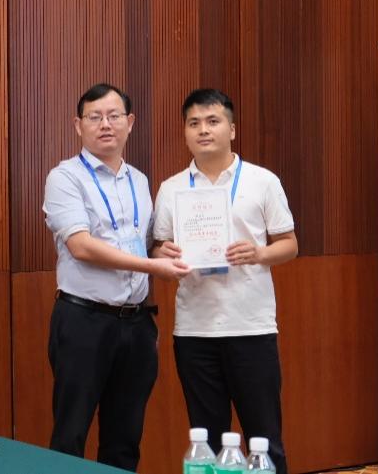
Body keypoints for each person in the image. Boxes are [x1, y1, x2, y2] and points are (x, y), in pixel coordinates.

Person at [43, 83, 191, 471]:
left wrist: (163, 254)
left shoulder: (138, 180)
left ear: (130, 122)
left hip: (136, 324)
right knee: (70, 434)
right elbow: (82, 246)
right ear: (78, 126)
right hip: (84, 321)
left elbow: (144, 246)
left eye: (113, 116)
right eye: (94, 117)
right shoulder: (65, 177)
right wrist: (153, 267)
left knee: (125, 438)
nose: (105, 124)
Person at [151, 88, 298, 474]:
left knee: (265, 439)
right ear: (185, 132)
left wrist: (259, 253)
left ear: (232, 129)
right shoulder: (171, 188)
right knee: (207, 442)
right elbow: (158, 249)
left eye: (213, 121)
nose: (203, 130)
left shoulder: (262, 181)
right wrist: (163, 254)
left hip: (251, 327)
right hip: (195, 331)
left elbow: (289, 244)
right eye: (194, 123)